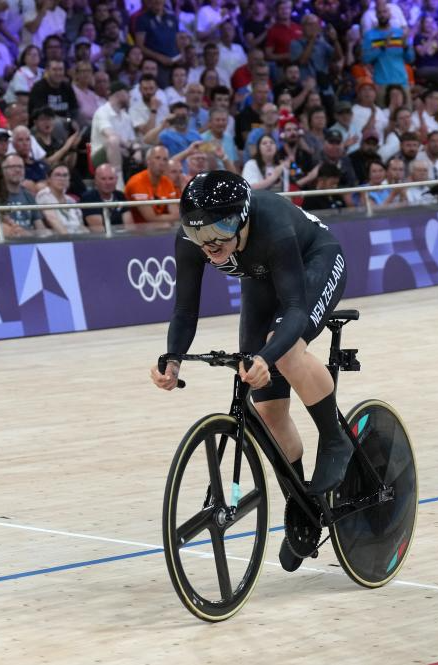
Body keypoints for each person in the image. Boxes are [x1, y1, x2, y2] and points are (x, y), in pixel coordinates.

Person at [150, 170, 353, 572]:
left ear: (242, 218)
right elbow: (185, 310)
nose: (209, 244)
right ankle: (302, 504)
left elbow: (295, 308)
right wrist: (172, 358)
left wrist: (267, 355)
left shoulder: (273, 225)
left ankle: (335, 439)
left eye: (220, 232)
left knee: (285, 351)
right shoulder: (194, 240)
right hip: (260, 277)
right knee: (267, 405)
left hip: (314, 260)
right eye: (199, 235)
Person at [81, 163, 133, 231]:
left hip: (122, 238)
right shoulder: (88, 198)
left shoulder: (120, 196)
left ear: (116, 180)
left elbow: (130, 226)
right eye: (103, 179)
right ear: (96, 181)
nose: (108, 182)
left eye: (111, 178)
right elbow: (98, 230)